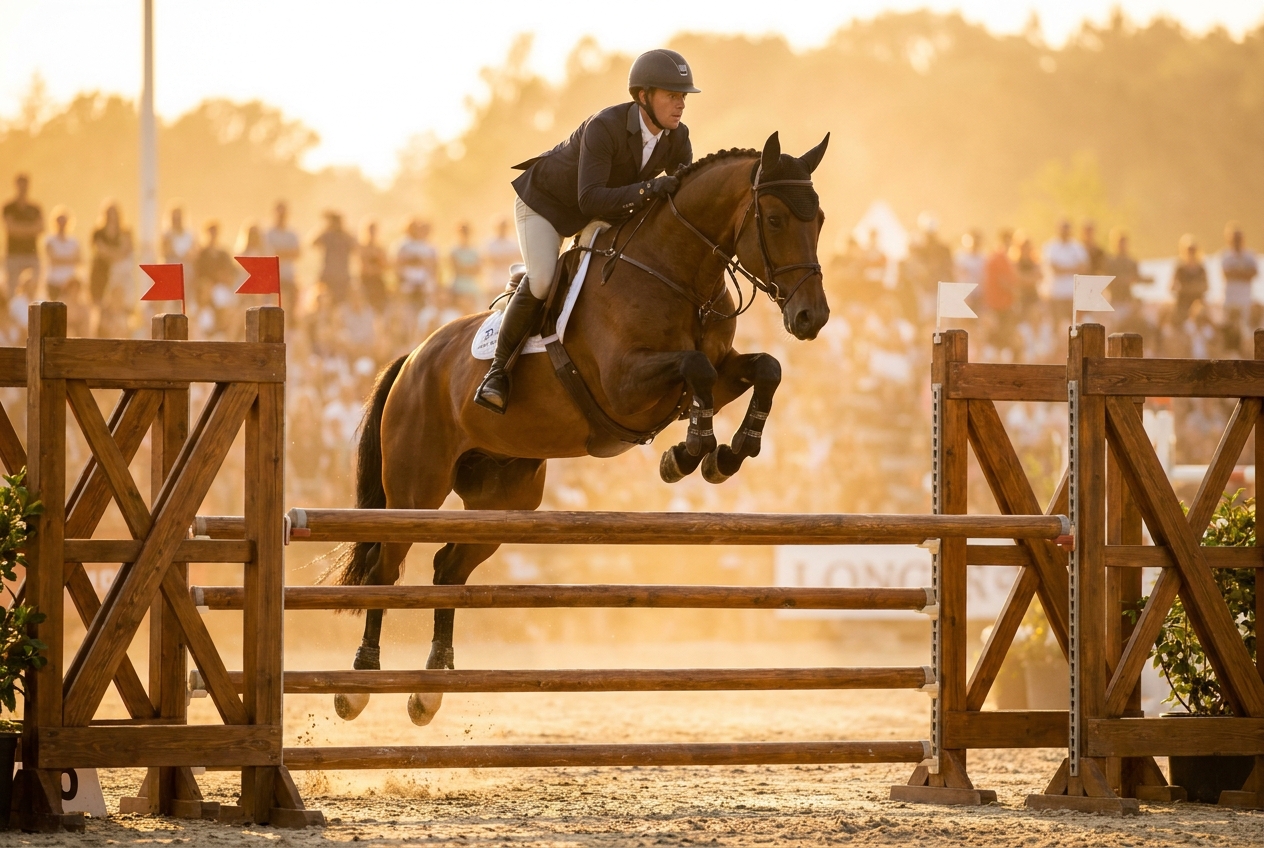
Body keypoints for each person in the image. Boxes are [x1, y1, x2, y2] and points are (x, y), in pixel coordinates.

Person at [474, 48, 697, 413]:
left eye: (683, 97)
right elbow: (590, 198)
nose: (681, 104)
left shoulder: (677, 136)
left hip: (599, 208)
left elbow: (681, 194)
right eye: (672, 95)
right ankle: (497, 374)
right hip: (546, 205)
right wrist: (647, 189)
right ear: (643, 96)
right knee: (544, 279)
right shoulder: (605, 127)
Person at [3, 174, 45, 298]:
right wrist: (30, 230)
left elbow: (41, 228)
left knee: (34, 286)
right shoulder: (8, 207)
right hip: (13, 254)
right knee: (12, 288)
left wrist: (19, 229)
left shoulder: (35, 208)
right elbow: (10, 228)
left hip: (31, 254)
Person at [1042, 219, 1088, 326]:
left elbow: (1083, 268)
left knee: (1075, 325)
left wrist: (1063, 268)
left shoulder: (1077, 247)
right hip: (1056, 294)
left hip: (1073, 295)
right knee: (1058, 324)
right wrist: (1073, 268)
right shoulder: (1051, 247)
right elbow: (1054, 269)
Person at [1220, 222, 1257, 353]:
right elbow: (1226, 273)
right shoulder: (1225, 255)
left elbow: (1253, 273)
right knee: (1229, 328)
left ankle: (1243, 353)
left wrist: (1236, 272)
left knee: (1245, 329)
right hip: (1230, 299)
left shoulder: (1250, 255)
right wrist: (1243, 272)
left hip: (1244, 300)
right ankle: (1229, 352)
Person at [89, 203, 133, 306]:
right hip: (101, 272)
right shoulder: (98, 233)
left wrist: (110, 253)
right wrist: (117, 253)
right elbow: (100, 251)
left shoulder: (125, 232)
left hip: (120, 273)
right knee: (99, 302)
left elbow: (127, 251)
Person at [265, 201, 301, 311]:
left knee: (290, 306)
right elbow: (268, 253)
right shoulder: (268, 234)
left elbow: (297, 253)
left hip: (288, 276)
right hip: (272, 277)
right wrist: (287, 252)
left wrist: (279, 252)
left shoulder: (292, 234)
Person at [314, 211, 357, 302]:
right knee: (324, 301)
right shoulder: (327, 235)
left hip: (342, 277)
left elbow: (356, 247)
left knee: (341, 303)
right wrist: (325, 228)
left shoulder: (346, 237)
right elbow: (314, 243)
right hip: (328, 275)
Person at [396, 219, 439, 309]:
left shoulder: (427, 245)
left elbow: (432, 264)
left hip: (423, 282)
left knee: (424, 305)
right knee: (407, 306)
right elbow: (399, 263)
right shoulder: (403, 245)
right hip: (408, 281)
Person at [44, 207, 81, 301]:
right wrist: (70, 259)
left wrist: (60, 259)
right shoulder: (50, 240)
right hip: (54, 282)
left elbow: (79, 260)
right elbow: (52, 260)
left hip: (70, 283)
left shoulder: (74, 241)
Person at [1173, 234, 1208, 323]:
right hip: (1182, 305)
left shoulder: (1201, 268)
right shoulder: (1179, 268)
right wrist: (1189, 288)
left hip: (1197, 304)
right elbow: (1172, 287)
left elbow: (1206, 286)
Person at [484, 218, 521, 298]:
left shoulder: (513, 243)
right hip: (494, 279)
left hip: (508, 278)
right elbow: (488, 259)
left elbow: (517, 257)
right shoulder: (490, 243)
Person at [449, 222, 482, 311]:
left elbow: (478, 270)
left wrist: (463, 267)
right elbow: (456, 268)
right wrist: (469, 268)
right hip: (459, 285)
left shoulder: (475, 250)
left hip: (472, 285)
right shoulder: (454, 250)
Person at [358, 222, 389, 311]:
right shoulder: (362, 248)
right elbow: (365, 268)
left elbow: (386, 266)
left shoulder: (380, 248)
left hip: (377, 281)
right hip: (366, 281)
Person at [162, 206, 197, 279]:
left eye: (179, 218)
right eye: (175, 218)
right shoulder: (167, 235)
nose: (177, 221)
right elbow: (165, 252)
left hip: (187, 270)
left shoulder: (190, 234)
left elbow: (195, 251)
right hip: (172, 269)